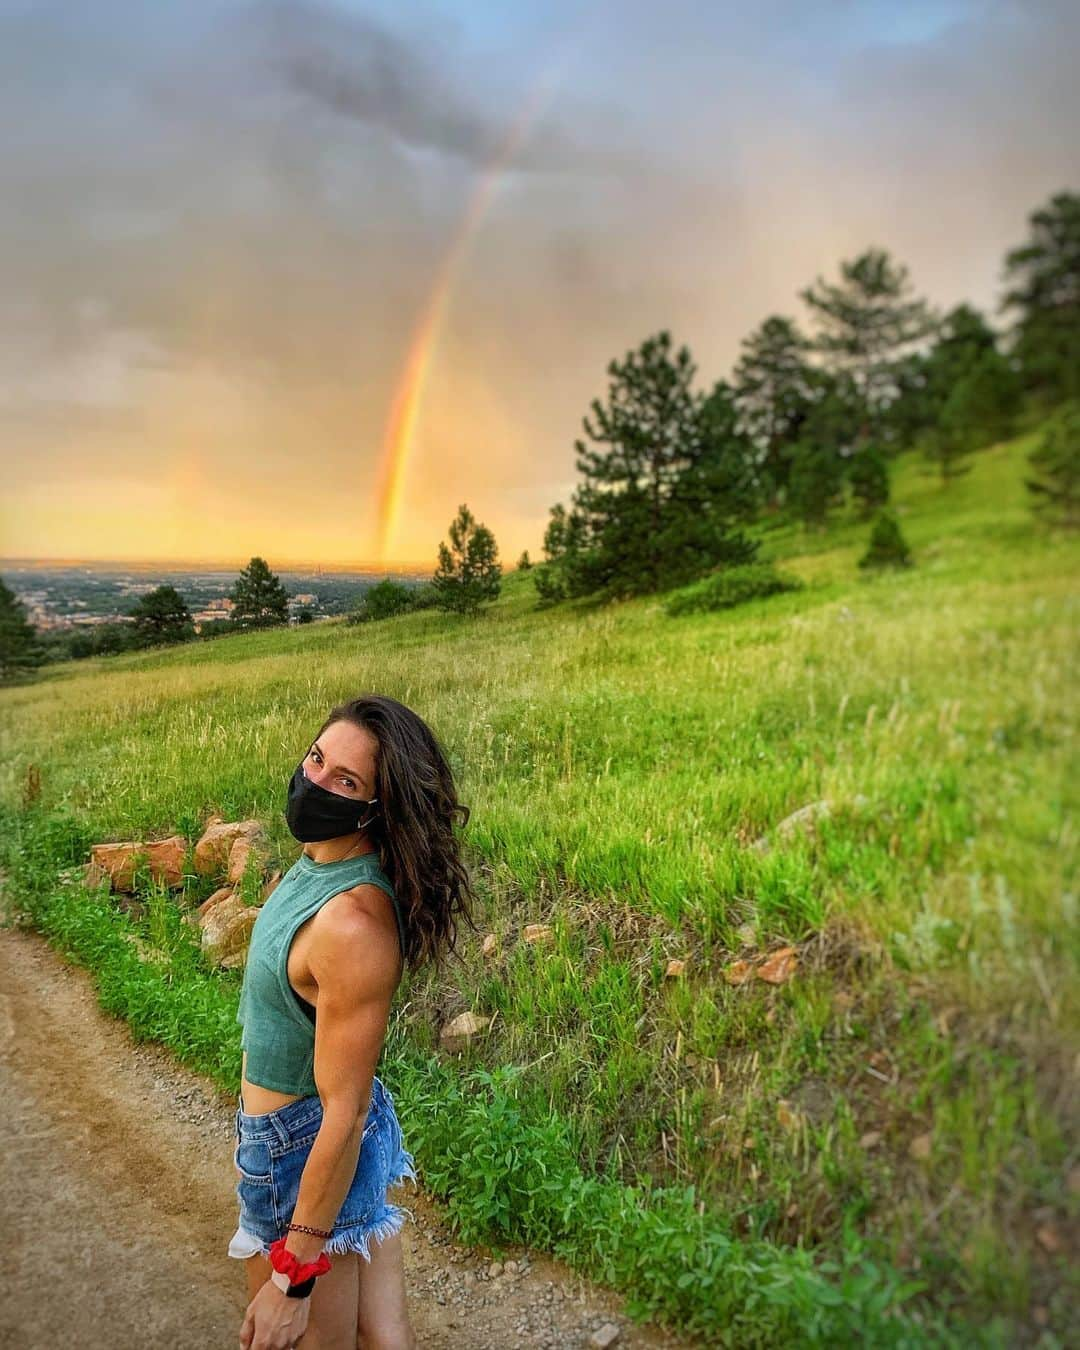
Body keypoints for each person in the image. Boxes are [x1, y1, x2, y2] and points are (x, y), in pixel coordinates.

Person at [230, 693, 477, 1350]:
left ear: (377, 807)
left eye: (345, 781)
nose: (314, 783)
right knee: (384, 1340)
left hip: (301, 1155)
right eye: (316, 759)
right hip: (340, 1137)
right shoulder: (321, 857)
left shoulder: (350, 924)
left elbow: (344, 1111)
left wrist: (294, 1279)